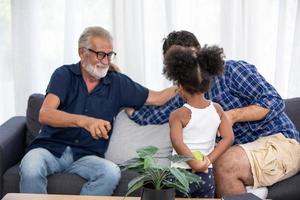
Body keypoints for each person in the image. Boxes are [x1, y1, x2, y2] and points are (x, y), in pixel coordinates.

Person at [127, 30, 300, 197]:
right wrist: (120, 90)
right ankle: (250, 192)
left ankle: (251, 190)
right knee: (205, 174)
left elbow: (273, 100)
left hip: (280, 142)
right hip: (241, 156)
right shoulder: (183, 97)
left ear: (201, 54)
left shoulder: (232, 71)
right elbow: (146, 115)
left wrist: (232, 116)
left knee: (223, 164)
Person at [19, 26, 178, 195]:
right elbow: (45, 114)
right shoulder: (64, 75)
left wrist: (189, 81)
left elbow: (158, 98)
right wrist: (85, 121)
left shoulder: (117, 83)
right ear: (82, 53)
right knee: (31, 167)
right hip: (50, 149)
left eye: (109, 55)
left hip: (86, 156)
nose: (105, 61)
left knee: (110, 173)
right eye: (100, 54)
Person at [164, 45, 234, 198]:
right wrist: (208, 160)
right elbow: (228, 138)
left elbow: (178, 143)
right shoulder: (217, 109)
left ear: (180, 86)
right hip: (206, 175)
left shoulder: (178, 114)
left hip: (180, 175)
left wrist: (193, 163)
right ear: (207, 84)